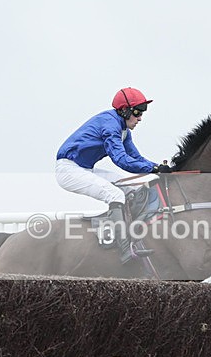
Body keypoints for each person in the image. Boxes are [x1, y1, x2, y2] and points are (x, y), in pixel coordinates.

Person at [55, 87, 171, 264]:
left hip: (84, 169)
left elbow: (136, 158)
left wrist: (157, 167)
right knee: (116, 194)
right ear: (124, 110)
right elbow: (121, 160)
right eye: (137, 112)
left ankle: (133, 234)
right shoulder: (110, 125)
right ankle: (124, 249)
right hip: (69, 170)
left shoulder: (125, 130)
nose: (140, 118)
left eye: (143, 113)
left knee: (131, 187)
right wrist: (153, 169)